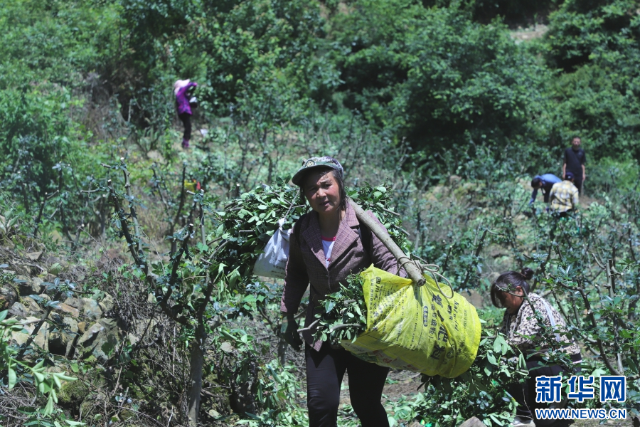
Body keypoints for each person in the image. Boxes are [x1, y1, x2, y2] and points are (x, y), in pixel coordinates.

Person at [280, 156, 404, 427]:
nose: (320, 194)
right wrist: (287, 315)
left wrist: (383, 307)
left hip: (366, 329)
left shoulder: (365, 223)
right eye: (311, 189)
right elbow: (296, 273)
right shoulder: (303, 228)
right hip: (321, 328)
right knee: (321, 404)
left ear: (340, 184)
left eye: (326, 184)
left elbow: (392, 265)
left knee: (365, 402)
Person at [491, 268, 582, 427]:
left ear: (518, 291)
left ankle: (525, 416)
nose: (503, 302)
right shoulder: (510, 313)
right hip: (539, 364)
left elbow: (523, 339)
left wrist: (498, 347)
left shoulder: (533, 303)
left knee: (511, 366)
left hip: (563, 364)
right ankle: (536, 411)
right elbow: (504, 337)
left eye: (504, 297)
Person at [174, 79, 198, 149]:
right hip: (184, 111)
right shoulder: (180, 91)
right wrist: (193, 84)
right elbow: (187, 86)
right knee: (188, 127)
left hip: (184, 111)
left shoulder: (181, 94)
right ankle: (185, 142)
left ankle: (185, 142)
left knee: (188, 127)